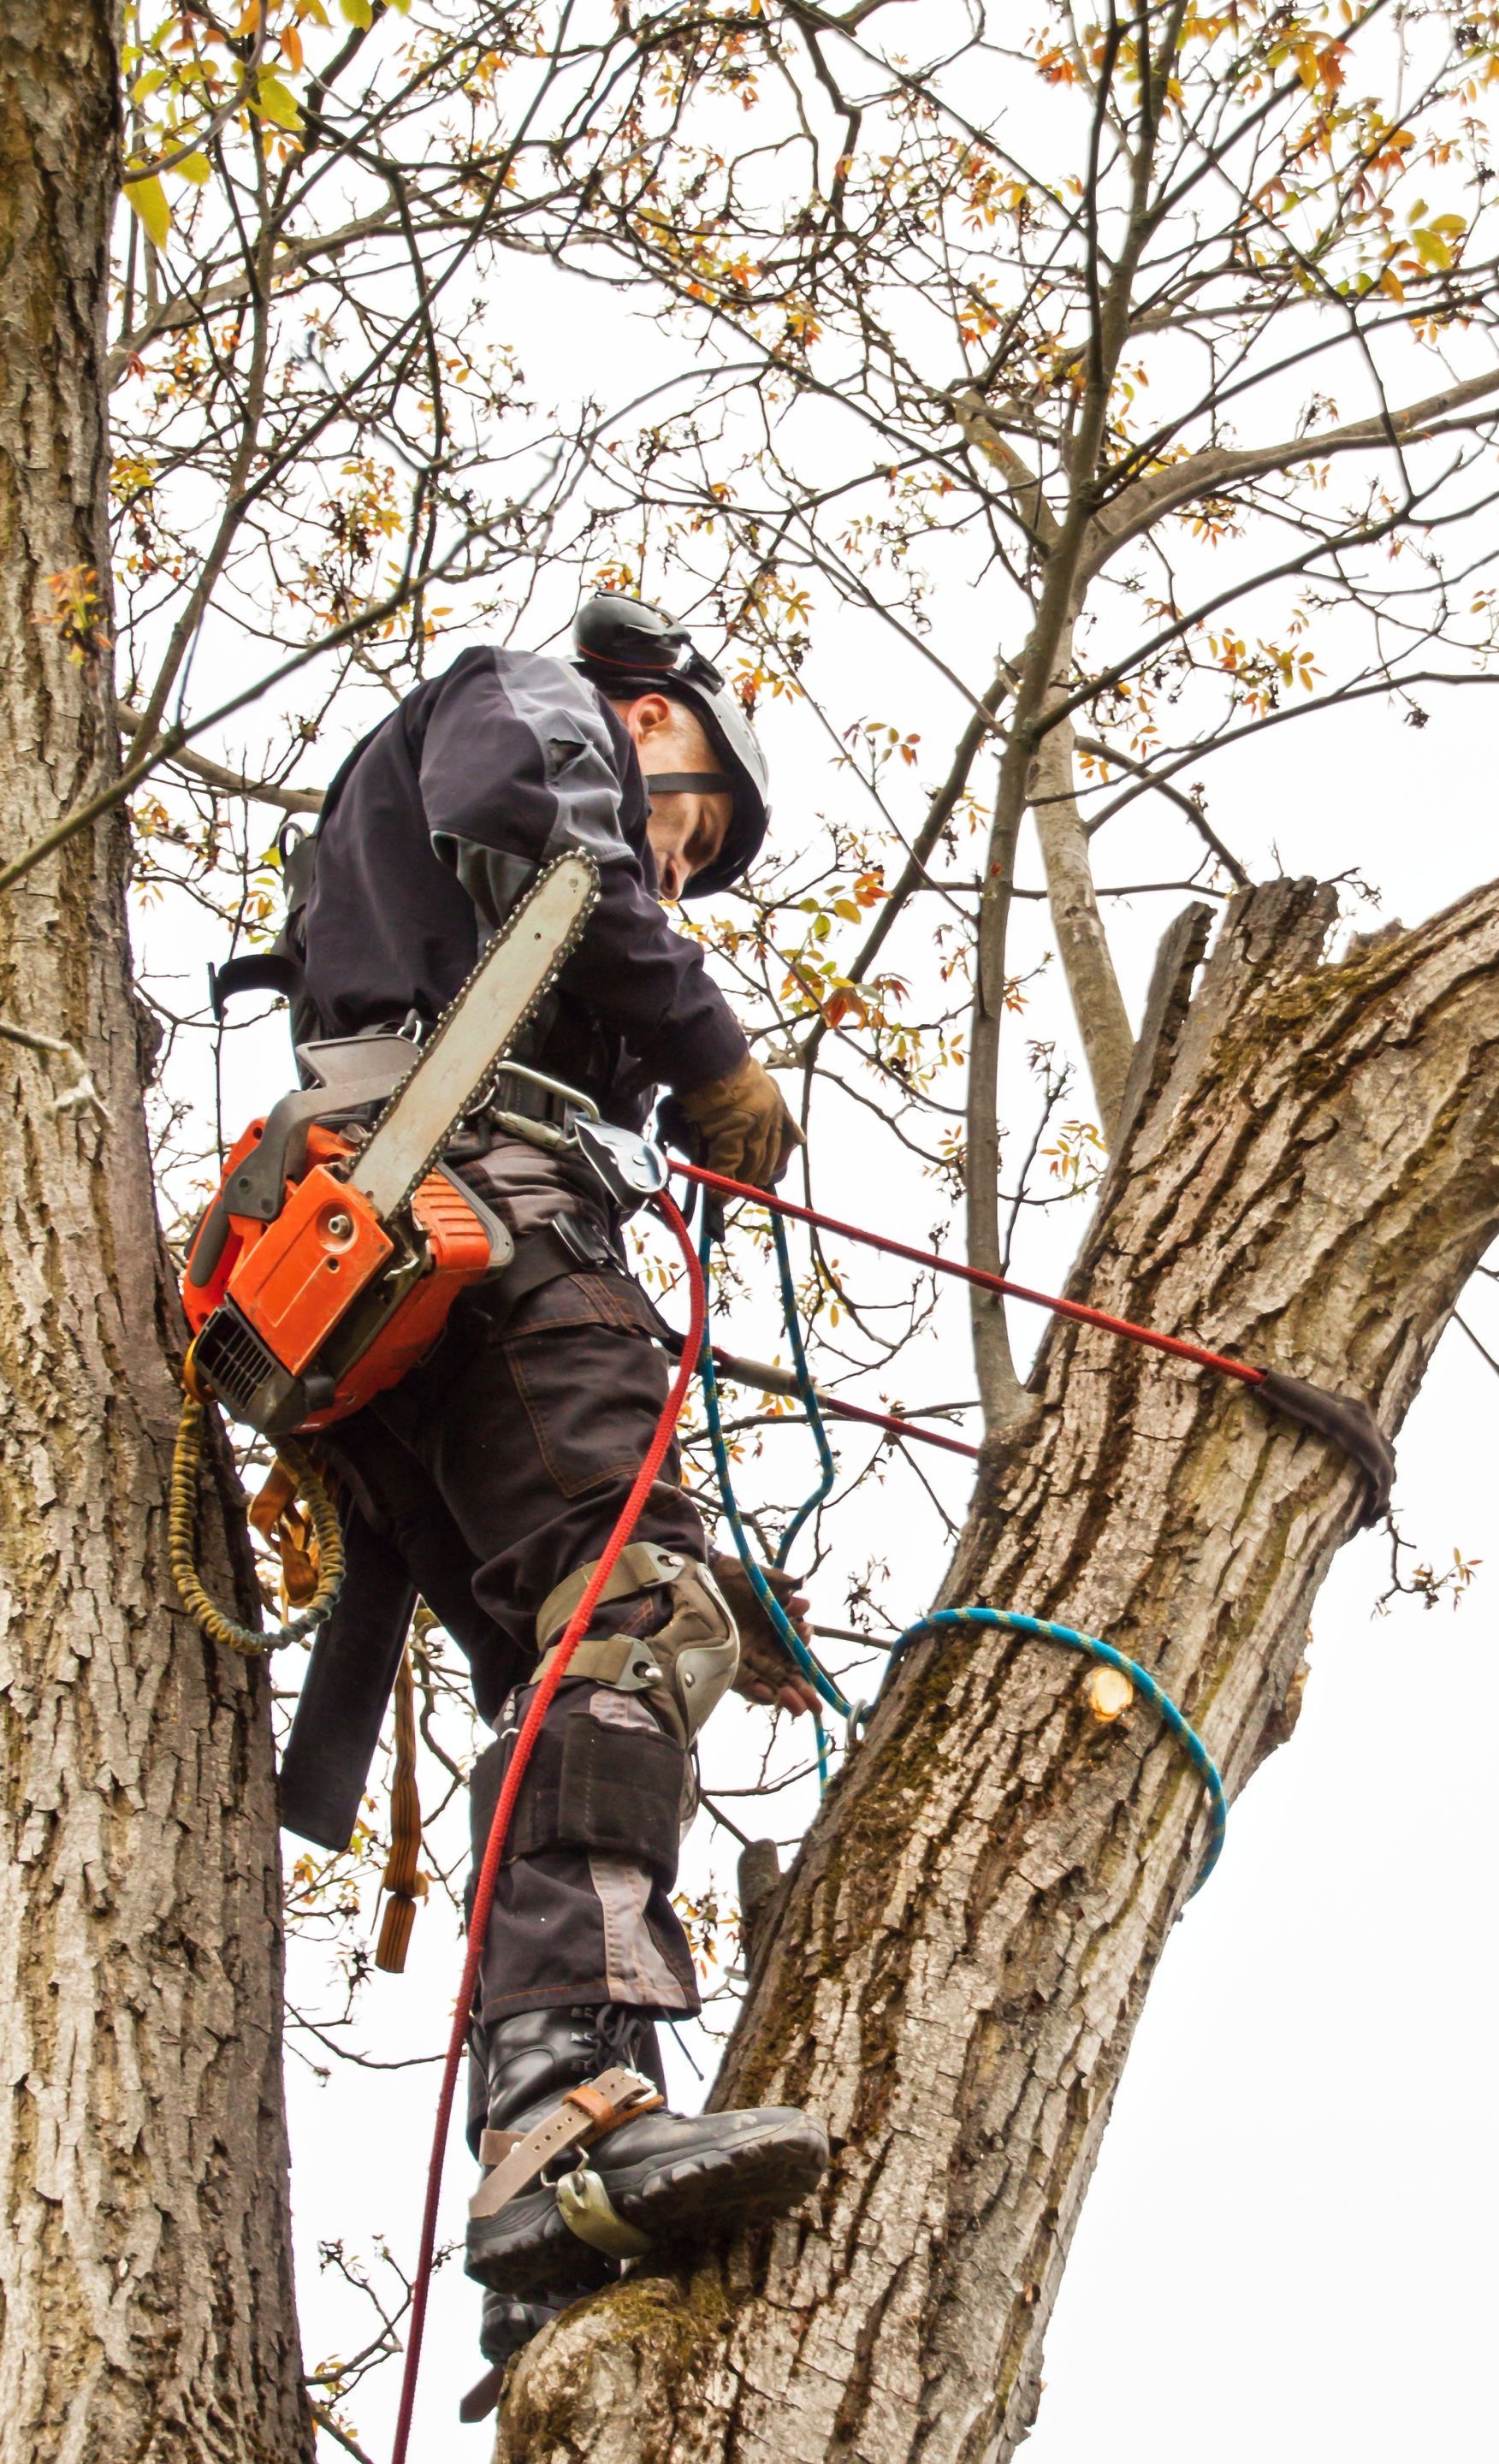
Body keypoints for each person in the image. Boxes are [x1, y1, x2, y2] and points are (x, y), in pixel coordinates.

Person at [286, 595, 830, 2389]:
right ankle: (565, 2108)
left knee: (597, 1635)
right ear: (657, 716)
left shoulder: (477, 930)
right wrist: (709, 1046)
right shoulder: (537, 704)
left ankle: (546, 2269)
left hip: (420, 1249)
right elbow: (560, 850)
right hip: (476, 1200)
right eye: (699, 823)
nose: (688, 864)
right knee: (634, 1608)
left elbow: (563, 926)